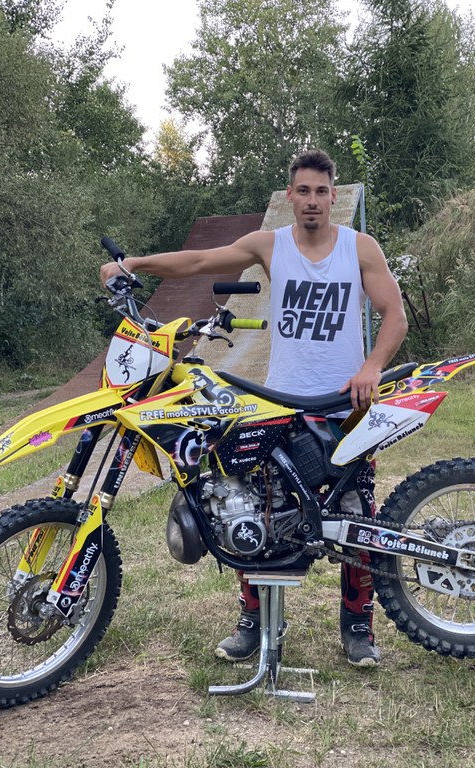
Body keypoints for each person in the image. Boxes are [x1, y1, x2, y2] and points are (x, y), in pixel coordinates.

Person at [100, 149, 408, 667]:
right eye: (303, 191)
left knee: (356, 516)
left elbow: (394, 314)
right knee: (255, 505)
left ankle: (358, 628)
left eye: (321, 191)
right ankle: (254, 621)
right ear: (290, 196)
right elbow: (199, 261)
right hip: (278, 403)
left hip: (344, 405)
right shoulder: (271, 244)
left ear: (334, 196)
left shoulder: (360, 247)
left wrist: (373, 366)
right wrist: (133, 265)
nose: (312, 200)